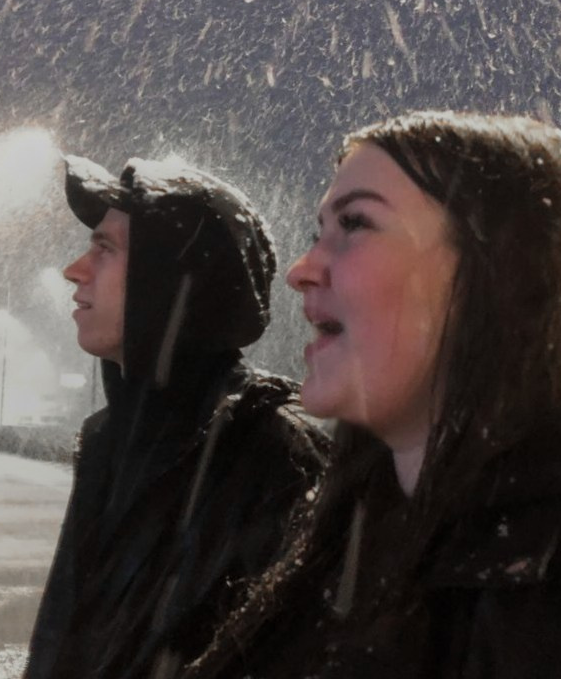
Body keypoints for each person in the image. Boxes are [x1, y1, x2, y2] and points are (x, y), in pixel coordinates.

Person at [187, 110, 561, 679]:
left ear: (499, 270)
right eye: (318, 233)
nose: (302, 269)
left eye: (355, 223)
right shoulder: (341, 537)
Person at [23, 154, 331, 679]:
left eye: (105, 248)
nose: (75, 270)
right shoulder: (106, 441)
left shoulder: (275, 450)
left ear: (169, 281)